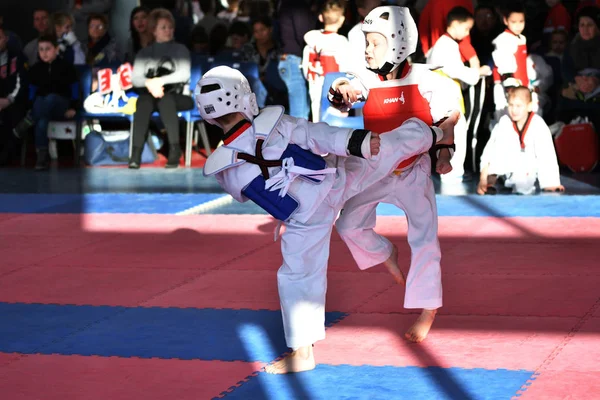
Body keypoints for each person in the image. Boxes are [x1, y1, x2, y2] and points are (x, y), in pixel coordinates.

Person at [195, 65, 458, 374]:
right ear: (246, 98)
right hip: (329, 186)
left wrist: (355, 142)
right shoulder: (253, 142)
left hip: (317, 198)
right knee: (386, 149)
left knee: (298, 275)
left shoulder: (228, 164)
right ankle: (431, 132)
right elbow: (316, 135)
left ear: (208, 114)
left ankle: (303, 353)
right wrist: (355, 143)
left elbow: (252, 189)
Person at [327, 5, 461, 343]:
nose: (368, 50)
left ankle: (428, 307)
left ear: (399, 43)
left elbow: (449, 117)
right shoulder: (367, 79)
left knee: (425, 237)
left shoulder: (428, 78)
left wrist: (444, 153)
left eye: (375, 43)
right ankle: (384, 252)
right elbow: (348, 90)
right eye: (367, 43)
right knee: (347, 224)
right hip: (375, 172)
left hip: (414, 173)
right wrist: (341, 90)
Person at [427, 6, 492, 181]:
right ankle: (452, 174)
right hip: (446, 99)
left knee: (452, 135)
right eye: (466, 29)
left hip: (446, 96)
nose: (467, 33)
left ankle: (453, 172)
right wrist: (478, 72)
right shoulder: (445, 45)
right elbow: (456, 70)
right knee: (455, 135)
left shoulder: (443, 44)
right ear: (455, 24)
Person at [478, 86, 564, 195]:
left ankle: (545, 183)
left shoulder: (538, 124)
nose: (514, 110)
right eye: (511, 105)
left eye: (519, 106)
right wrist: (483, 178)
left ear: (529, 107)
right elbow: (490, 151)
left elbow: (547, 156)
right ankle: (491, 182)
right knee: (495, 151)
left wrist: (551, 183)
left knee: (523, 183)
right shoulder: (504, 122)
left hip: (529, 170)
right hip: (506, 169)